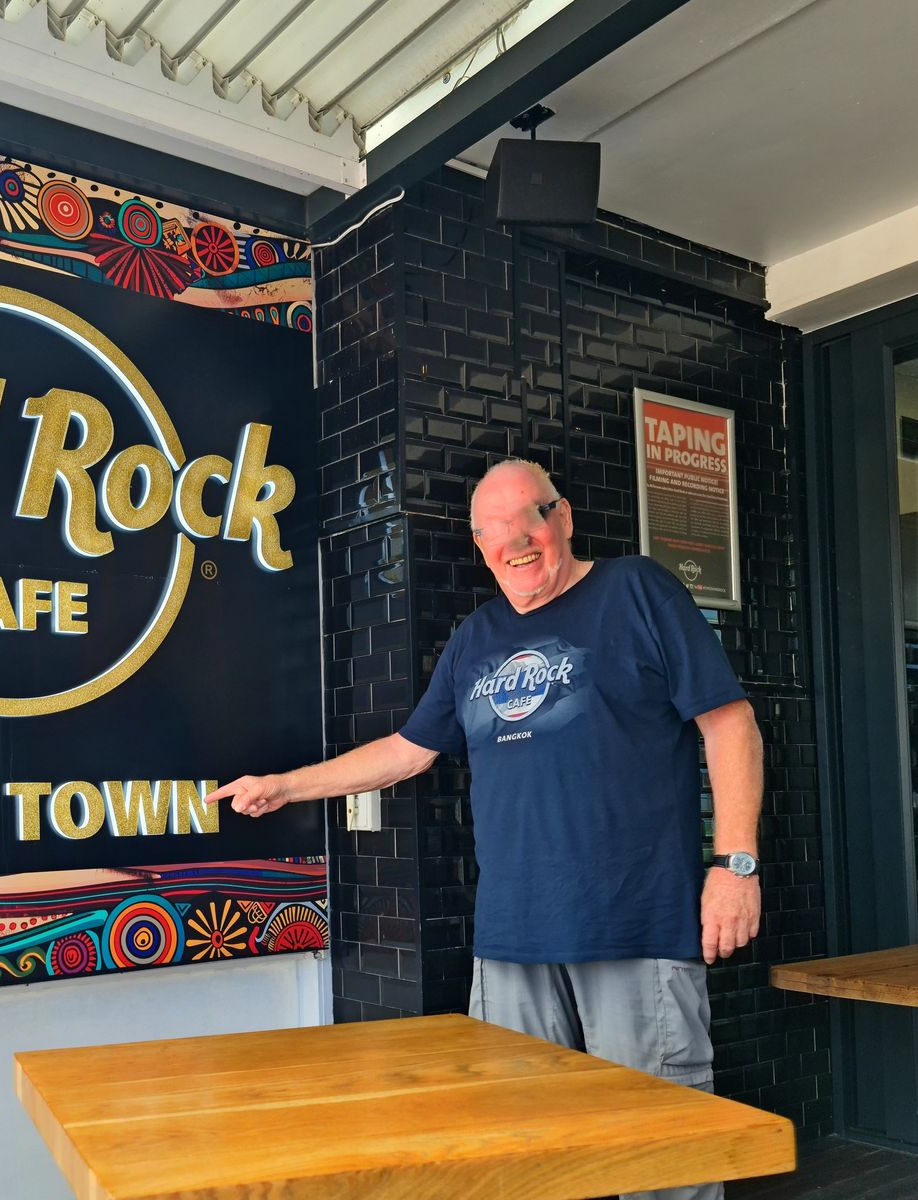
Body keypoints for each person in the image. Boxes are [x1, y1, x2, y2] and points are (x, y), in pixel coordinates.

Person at [207, 458, 762, 1200]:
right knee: (517, 1152)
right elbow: (407, 751)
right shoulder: (475, 638)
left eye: (531, 520)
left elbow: (730, 723)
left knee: (660, 1153)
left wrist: (735, 866)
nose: (517, 543)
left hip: (634, 921)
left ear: (562, 518)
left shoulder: (637, 590)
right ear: (479, 547)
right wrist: (285, 786)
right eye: (496, 531)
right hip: (512, 938)